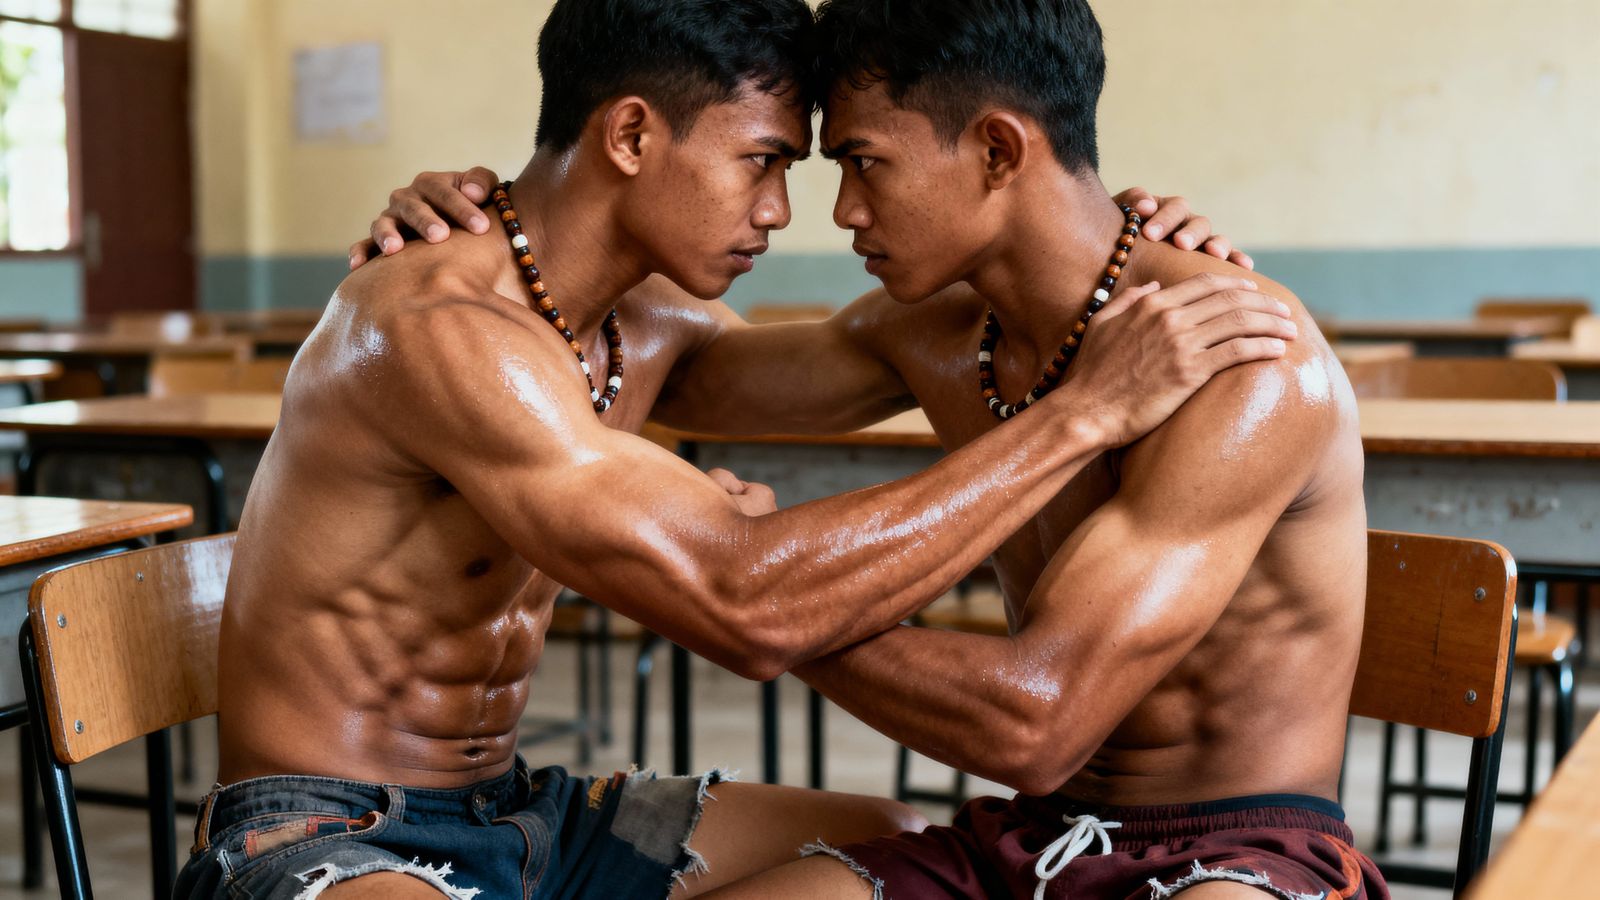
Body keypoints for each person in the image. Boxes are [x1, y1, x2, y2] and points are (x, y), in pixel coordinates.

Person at [177, 1, 1296, 898]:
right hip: (327, 828)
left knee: (883, 839)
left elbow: (933, 326)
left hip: (517, 810)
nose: (787, 209)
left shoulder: (646, 328)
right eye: (764, 161)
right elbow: (743, 600)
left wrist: (1120, 246)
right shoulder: (440, 330)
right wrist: (1083, 413)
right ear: (629, 134)